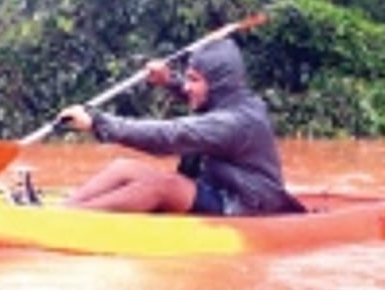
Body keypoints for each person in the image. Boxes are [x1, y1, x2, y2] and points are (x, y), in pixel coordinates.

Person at [56, 37, 302, 216]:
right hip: (217, 188)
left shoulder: (234, 122)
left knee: (163, 186)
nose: (186, 86)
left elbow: (169, 136)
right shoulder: (231, 101)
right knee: (123, 167)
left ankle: (70, 219)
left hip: (246, 204)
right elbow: (199, 97)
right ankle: (65, 209)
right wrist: (168, 80)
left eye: (193, 79)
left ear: (218, 84)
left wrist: (97, 123)